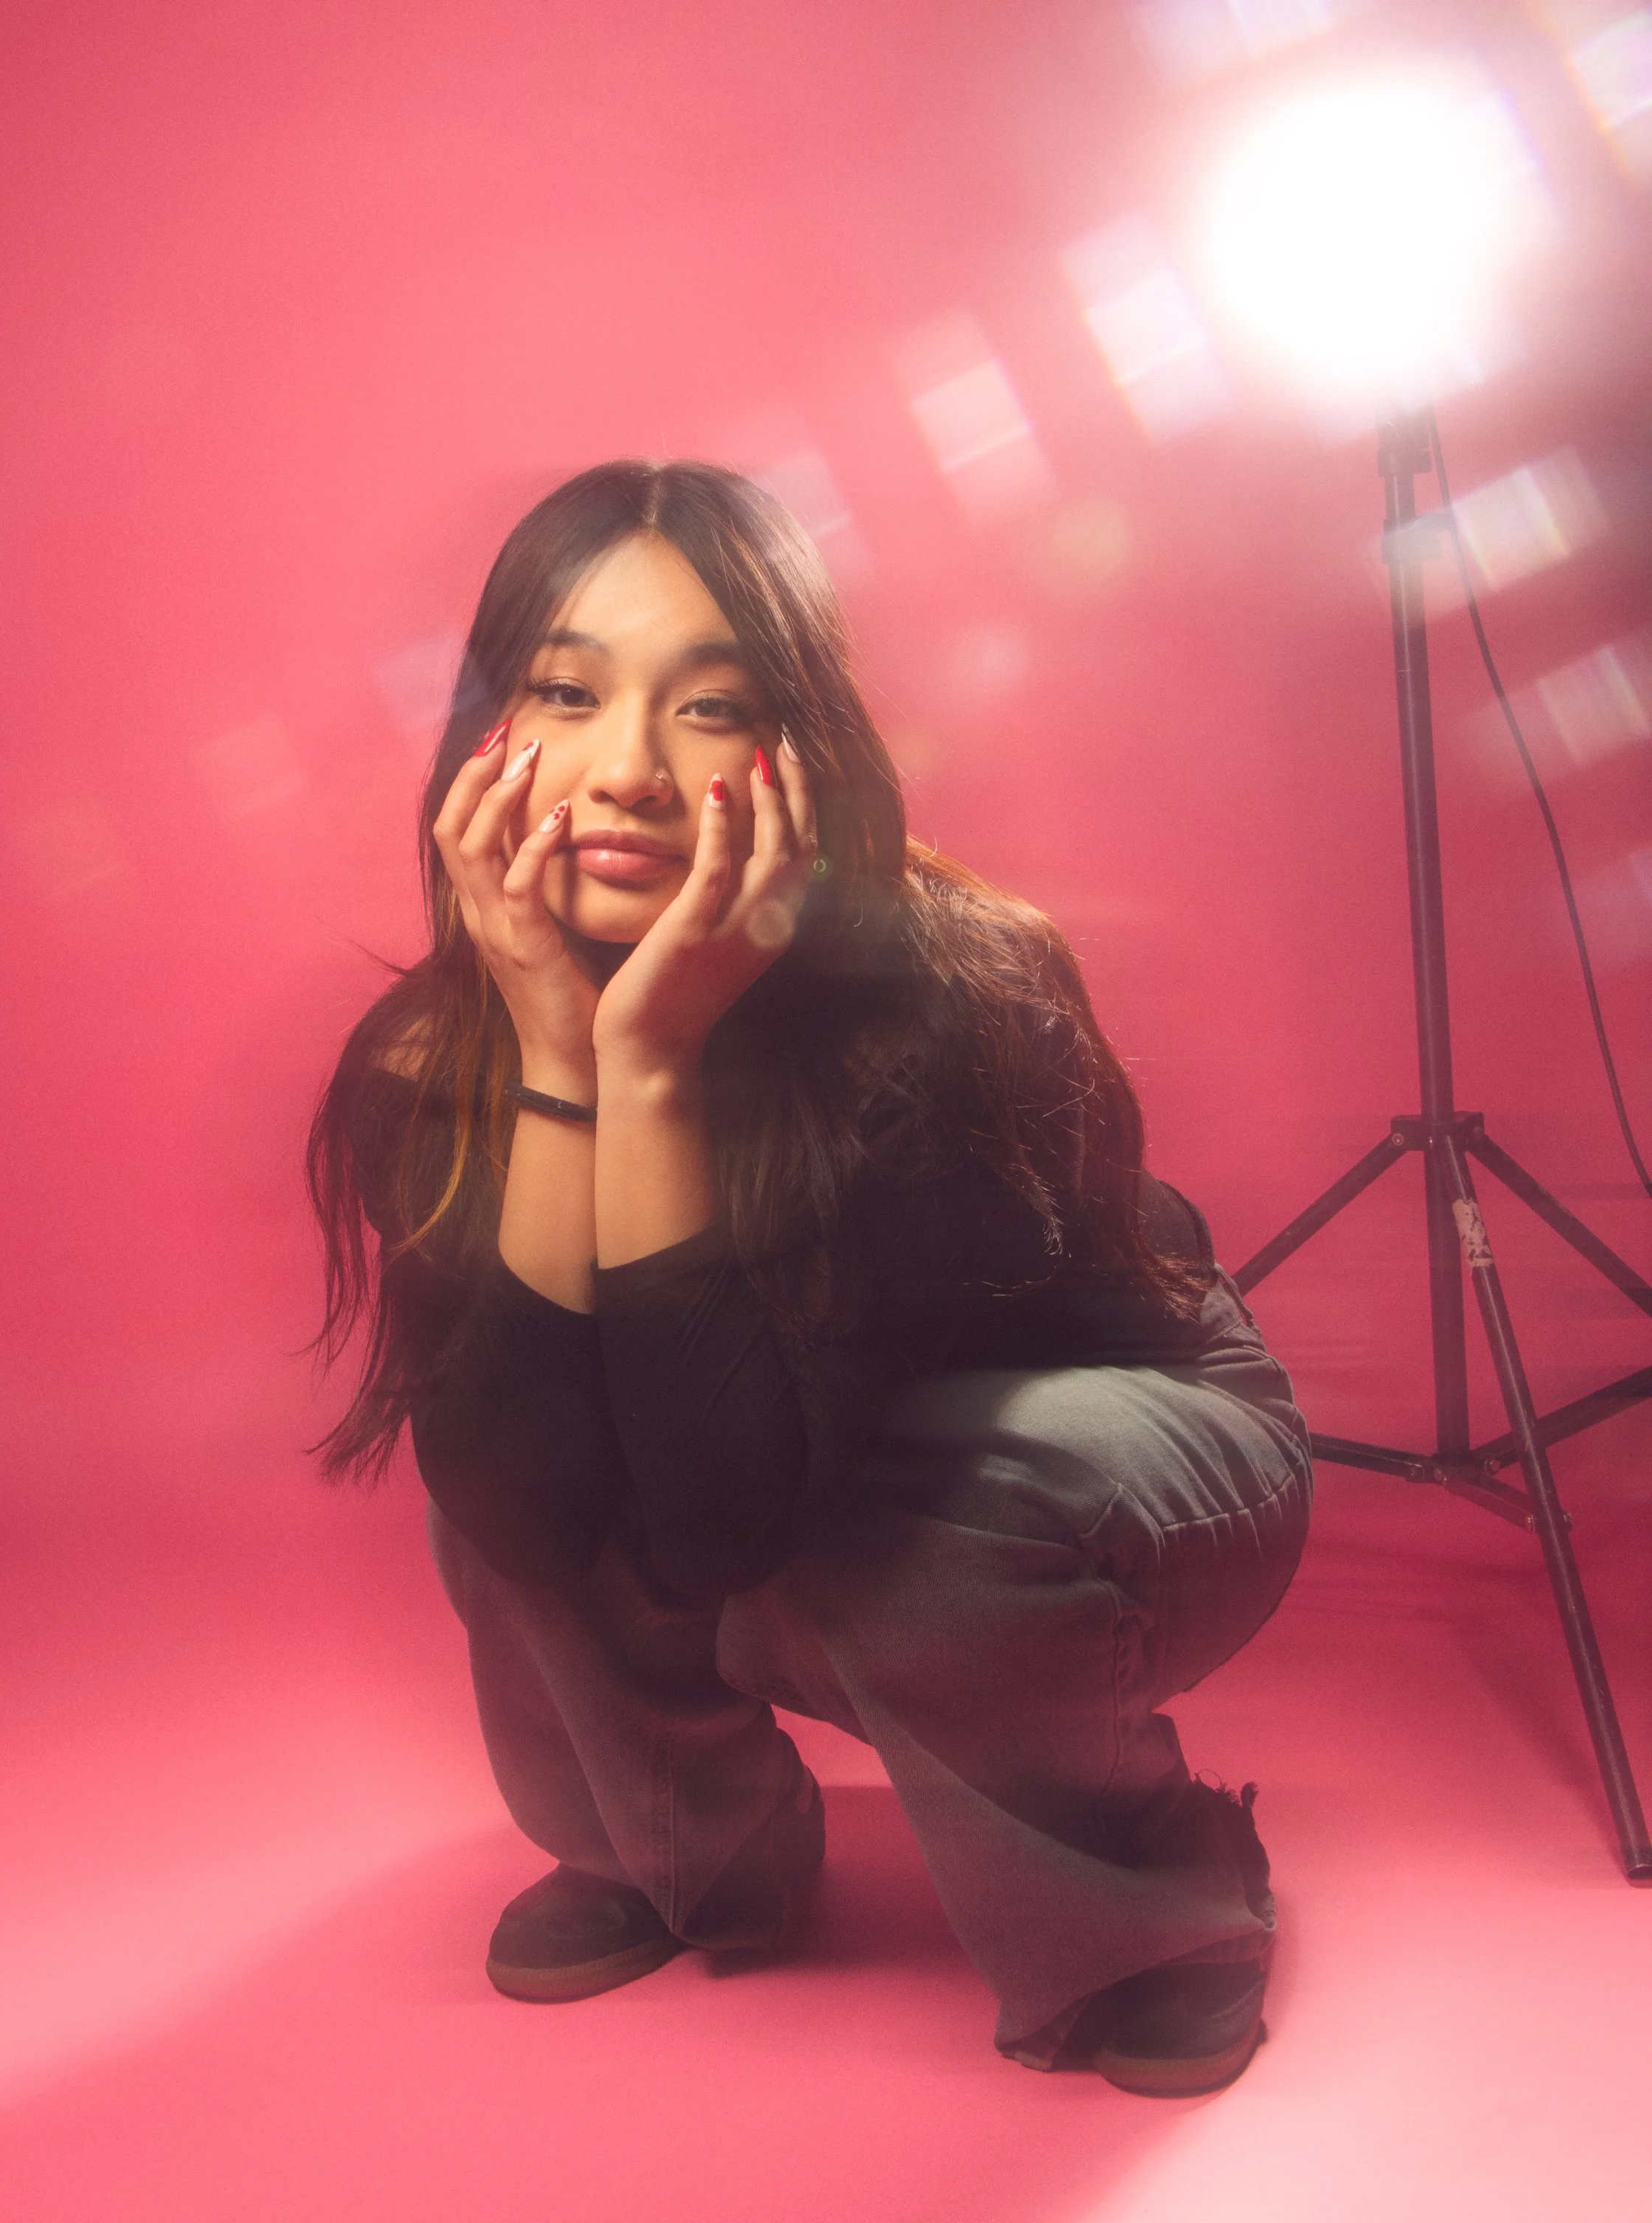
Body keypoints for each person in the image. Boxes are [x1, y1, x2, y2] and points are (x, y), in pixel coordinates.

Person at [307, 459, 1312, 2097]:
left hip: (1123, 1467)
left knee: (921, 1509)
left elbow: (733, 1525)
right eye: (568, 691)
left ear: (796, 750)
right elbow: (533, 1500)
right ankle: (684, 1854)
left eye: (709, 708)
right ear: (486, 734)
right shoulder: (439, 1057)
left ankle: (1155, 1902)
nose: (627, 770)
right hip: (809, 1473)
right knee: (503, 1433)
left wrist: (649, 1066)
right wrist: (571, 1043)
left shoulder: (952, 997)